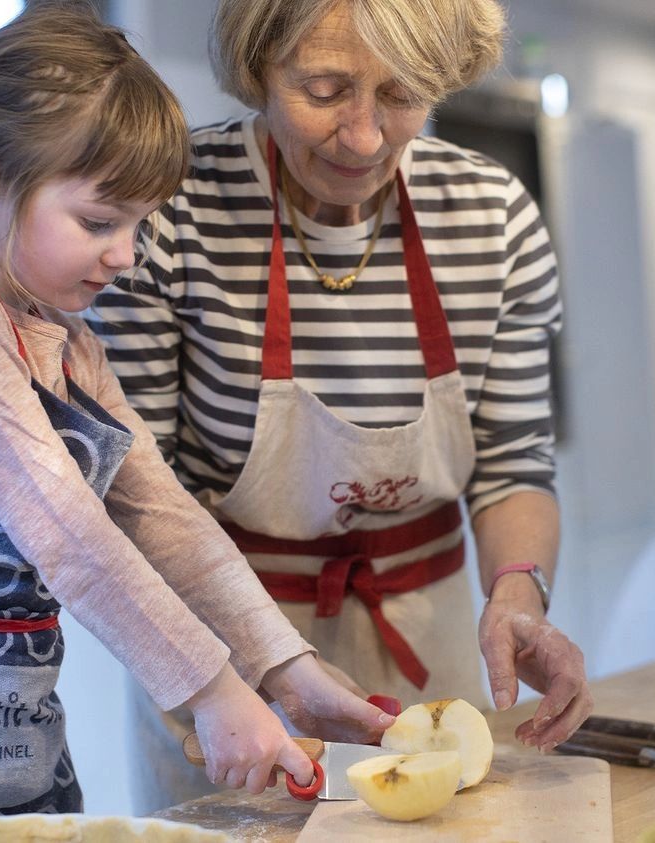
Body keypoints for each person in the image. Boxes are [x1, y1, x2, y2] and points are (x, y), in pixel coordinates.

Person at [0, 2, 394, 833]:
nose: (126, 254)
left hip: (13, 714)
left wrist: (287, 670)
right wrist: (211, 690)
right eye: (100, 222)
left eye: (140, 224)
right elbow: (63, 525)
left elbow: (162, 513)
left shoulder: (65, 337)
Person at [88, 0, 593, 811]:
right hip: (228, 655)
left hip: (427, 646)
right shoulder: (168, 210)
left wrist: (518, 595)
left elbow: (511, 461)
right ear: (258, 68)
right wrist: (260, 667)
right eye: (323, 90)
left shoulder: (493, 215)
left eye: (400, 95)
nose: (363, 138)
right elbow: (136, 493)